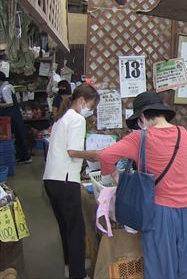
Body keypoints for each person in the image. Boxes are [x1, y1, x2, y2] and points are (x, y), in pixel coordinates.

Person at [97, 92, 187, 279]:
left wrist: (116, 177)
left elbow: (104, 156)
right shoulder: (182, 133)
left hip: (160, 211)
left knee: (161, 265)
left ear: (142, 117)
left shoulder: (140, 138)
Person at [43, 84, 100, 279]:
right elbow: (73, 152)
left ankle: (70, 266)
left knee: (65, 227)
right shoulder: (76, 119)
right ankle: (77, 274)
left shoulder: (61, 119)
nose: (90, 112)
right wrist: (96, 155)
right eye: (91, 107)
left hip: (51, 180)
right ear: (82, 101)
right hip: (66, 180)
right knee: (76, 230)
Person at [0, 71, 31, 163]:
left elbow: (10, 103)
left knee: (17, 136)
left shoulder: (5, 89)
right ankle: (22, 156)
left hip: (11, 115)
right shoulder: (9, 86)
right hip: (14, 114)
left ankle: (25, 157)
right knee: (18, 135)